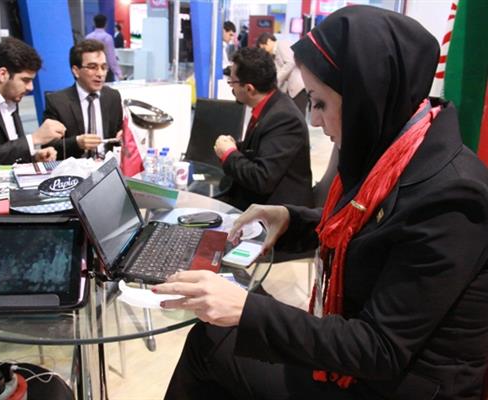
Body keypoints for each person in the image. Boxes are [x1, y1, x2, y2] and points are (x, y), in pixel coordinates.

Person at [155, 5, 488, 399]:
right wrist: (290, 219)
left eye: (320, 102)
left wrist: (246, 310)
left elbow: (380, 348)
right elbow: (369, 231)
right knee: (225, 328)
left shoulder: (452, 197)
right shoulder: (400, 147)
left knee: (212, 341)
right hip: (374, 361)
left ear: (366, 98)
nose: (313, 120)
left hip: (396, 384)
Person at [214, 47, 312, 211]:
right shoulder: (270, 107)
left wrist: (229, 154)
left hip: (276, 212)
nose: (231, 88)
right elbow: (262, 149)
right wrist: (236, 147)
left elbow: (261, 179)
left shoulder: (284, 118)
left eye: (232, 82)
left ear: (249, 89)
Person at [42, 39, 123, 160]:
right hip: (75, 167)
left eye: (104, 67)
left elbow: (118, 133)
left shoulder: (113, 97)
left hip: (107, 165)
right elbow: (48, 146)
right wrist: (76, 143)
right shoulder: (57, 102)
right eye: (93, 67)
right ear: (76, 71)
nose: (100, 73)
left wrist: (123, 135)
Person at [257, 32, 307, 116]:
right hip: (291, 89)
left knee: (299, 115)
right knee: (292, 114)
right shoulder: (274, 54)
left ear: (269, 41)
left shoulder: (281, 45)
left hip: (298, 87)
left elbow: (290, 63)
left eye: (264, 47)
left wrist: (277, 79)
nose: (265, 50)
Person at [86, 14, 122, 82]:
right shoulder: (107, 38)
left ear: (94, 23)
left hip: (91, 70)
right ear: (106, 24)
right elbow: (111, 58)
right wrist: (118, 73)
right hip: (104, 71)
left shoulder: (88, 37)